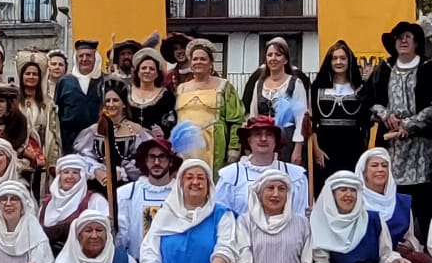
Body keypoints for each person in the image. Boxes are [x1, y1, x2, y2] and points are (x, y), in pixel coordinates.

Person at [363, 20, 432, 241]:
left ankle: (428, 244)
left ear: (416, 43)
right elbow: (370, 100)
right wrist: (386, 115)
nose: (403, 41)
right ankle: (394, 243)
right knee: (393, 192)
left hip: (423, 145)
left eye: (408, 37)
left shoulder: (430, 68)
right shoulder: (383, 69)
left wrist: (410, 124)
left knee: (423, 197)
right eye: (399, 37)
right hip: (391, 144)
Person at [214, 115, 310, 217]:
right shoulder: (231, 176)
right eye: (257, 134)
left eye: (269, 134)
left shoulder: (295, 176)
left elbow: (300, 217)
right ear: (249, 140)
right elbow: (222, 218)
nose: (263, 138)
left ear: (276, 140)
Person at [173, 39, 245, 169]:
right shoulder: (180, 89)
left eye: (203, 59)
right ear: (190, 62)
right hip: (185, 146)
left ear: (211, 62)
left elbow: (236, 120)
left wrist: (234, 148)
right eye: (195, 59)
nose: (198, 62)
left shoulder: (224, 86)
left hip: (214, 145)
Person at [74, 79, 153, 198]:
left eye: (115, 100)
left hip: (127, 187)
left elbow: (144, 160)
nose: (111, 104)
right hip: (98, 187)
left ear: (124, 104)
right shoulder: (93, 131)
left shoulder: (136, 131)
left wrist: (123, 172)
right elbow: (83, 157)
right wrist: (96, 171)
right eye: (107, 101)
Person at [309, 40, 371, 187]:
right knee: (326, 187)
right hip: (326, 146)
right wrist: (316, 149)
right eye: (334, 58)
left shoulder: (360, 87)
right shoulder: (318, 87)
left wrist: (364, 151)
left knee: (350, 186)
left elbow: (365, 122)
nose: (339, 62)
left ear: (349, 61)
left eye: (343, 58)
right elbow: (314, 121)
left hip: (352, 146)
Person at [240, 37, 310, 160]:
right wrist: (250, 144)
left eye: (278, 55)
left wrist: (298, 148)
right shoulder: (259, 84)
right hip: (263, 138)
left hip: (287, 139)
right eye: (270, 55)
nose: (273, 58)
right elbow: (253, 116)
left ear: (286, 60)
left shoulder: (295, 83)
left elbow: (300, 119)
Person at [116, 136, 178, 261]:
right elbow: (121, 236)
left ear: (171, 161)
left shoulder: (181, 193)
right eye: (152, 157)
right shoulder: (127, 193)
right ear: (145, 160)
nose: (156, 162)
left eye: (162, 157)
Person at [13, 51, 63, 166]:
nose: (31, 77)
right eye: (28, 73)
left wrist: (53, 163)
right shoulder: (13, 102)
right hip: (19, 158)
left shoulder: (48, 103)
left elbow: (54, 134)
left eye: (35, 74)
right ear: (22, 76)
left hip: (43, 156)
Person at [55, 39, 105, 151]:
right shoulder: (65, 82)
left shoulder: (105, 82)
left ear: (95, 58)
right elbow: (57, 114)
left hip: (98, 141)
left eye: (89, 56)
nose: (84, 59)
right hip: (69, 143)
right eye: (81, 56)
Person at [124, 48, 177, 137]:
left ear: (157, 74)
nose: (147, 71)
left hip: (154, 144)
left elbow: (171, 122)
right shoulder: (126, 92)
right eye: (144, 68)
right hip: (128, 140)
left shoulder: (166, 96)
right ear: (137, 72)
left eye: (152, 69)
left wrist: (163, 132)